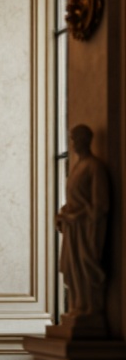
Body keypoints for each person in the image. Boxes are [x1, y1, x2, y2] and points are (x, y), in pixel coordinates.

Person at [56, 125, 110, 317]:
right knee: (72, 267)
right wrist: (63, 213)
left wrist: (76, 215)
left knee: (84, 265)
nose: (72, 144)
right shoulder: (78, 167)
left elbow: (100, 204)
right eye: (71, 139)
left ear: (84, 140)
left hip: (85, 229)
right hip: (73, 228)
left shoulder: (94, 167)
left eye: (74, 139)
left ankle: (90, 306)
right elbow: (73, 201)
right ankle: (79, 304)